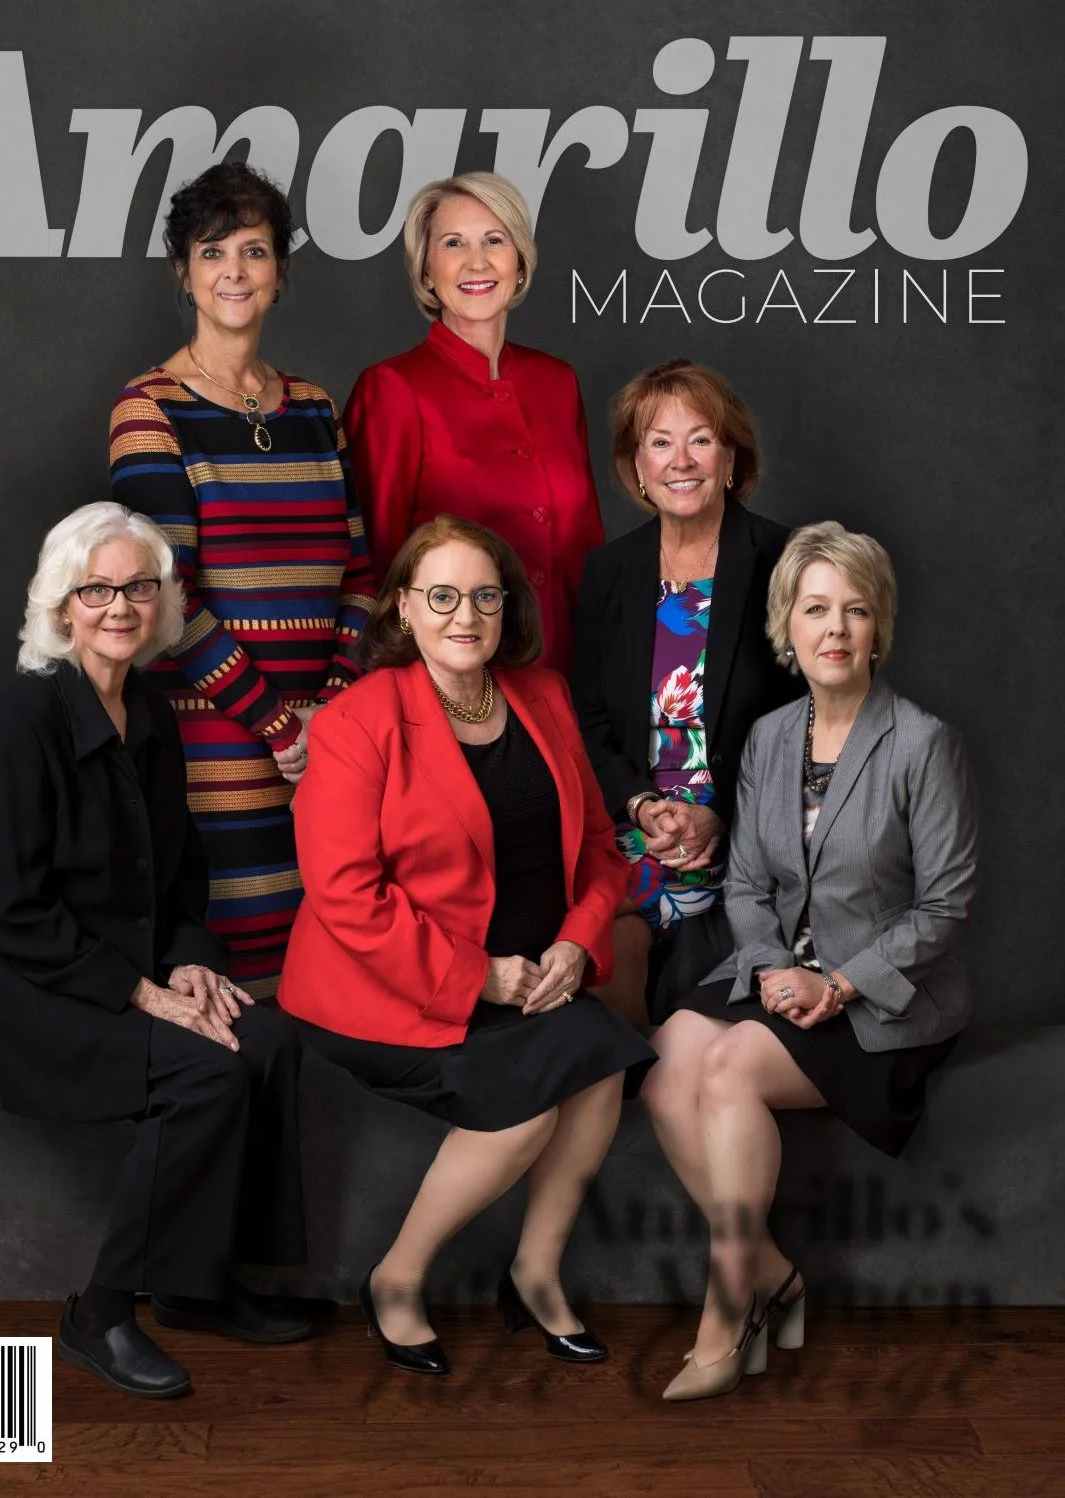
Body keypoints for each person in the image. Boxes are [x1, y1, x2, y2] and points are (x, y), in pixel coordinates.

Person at [0, 502, 312, 1399]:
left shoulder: (148, 705)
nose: (119, 605)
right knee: (205, 1071)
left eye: (137, 587)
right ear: (62, 605)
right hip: (22, 973)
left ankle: (199, 1283)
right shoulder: (18, 721)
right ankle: (99, 1311)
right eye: (96, 588)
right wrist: (145, 995)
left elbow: (179, 871)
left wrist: (189, 959)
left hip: (131, 956)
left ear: (161, 601)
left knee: (267, 1042)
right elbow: (12, 908)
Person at [278, 516, 652, 1374]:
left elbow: (599, 847)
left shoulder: (544, 696)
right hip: (383, 989)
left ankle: (534, 1273)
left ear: (506, 606)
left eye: (484, 594)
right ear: (403, 607)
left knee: (597, 1065)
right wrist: (477, 977)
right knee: (524, 1111)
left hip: (530, 974)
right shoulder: (357, 721)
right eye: (440, 595)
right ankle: (398, 1278)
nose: (464, 614)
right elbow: (344, 896)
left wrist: (576, 941)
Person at [645, 521, 979, 1401]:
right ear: (786, 625)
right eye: (816, 608)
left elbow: (943, 906)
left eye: (855, 611)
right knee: (663, 1071)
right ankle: (775, 1274)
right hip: (776, 974)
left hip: (883, 999)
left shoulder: (920, 743)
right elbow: (747, 883)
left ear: (880, 628)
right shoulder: (767, 738)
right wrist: (766, 972)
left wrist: (836, 984)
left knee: (722, 1075)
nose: (834, 629)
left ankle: (724, 1316)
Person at [109, 161, 375, 999]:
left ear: (280, 272)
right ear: (182, 272)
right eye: (212, 250)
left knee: (314, 968)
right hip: (210, 737)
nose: (233, 270)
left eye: (253, 251)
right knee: (218, 969)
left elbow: (361, 574)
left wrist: (329, 706)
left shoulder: (312, 408)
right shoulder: (147, 410)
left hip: (319, 744)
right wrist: (275, 726)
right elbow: (165, 600)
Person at [572, 360, 800, 1029]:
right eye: (658, 442)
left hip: (748, 834)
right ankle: (624, 1103)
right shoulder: (609, 572)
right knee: (592, 952)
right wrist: (643, 806)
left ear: (730, 457)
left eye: (699, 439)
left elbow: (806, 728)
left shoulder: (781, 560)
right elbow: (586, 720)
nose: (681, 460)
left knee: (706, 1014)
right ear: (636, 467)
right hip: (636, 825)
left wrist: (721, 813)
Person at [344, 172, 604, 675]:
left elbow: (584, 553)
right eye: (453, 243)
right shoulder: (392, 388)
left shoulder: (557, 381)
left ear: (520, 262)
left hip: (562, 675)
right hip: (448, 681)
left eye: (494, 240)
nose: (477, 261)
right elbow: (372, 567)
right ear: (426, 271)